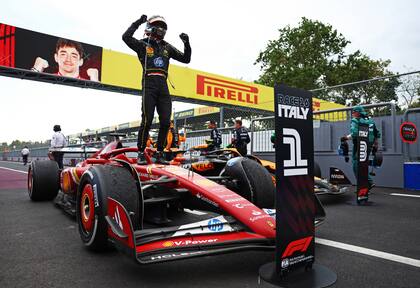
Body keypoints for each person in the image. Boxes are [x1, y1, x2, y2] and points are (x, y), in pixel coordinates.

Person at [123, 15, 191, 164]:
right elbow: (126, 37)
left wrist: (186, 43)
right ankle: (141, 153)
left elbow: (186, 59)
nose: (160, 28)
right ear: (150, 27)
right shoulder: (143, 44)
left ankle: (159, 153)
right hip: (149, 83)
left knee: (166, 122)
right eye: (157, 25)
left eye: (162, 26)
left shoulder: (167, 47)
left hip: (163, 85)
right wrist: (138, 22)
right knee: (147, 120)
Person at [341, 106, 381, 189]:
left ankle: (367, 182)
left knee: (356, 164)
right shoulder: (370, 121)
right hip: (368, 145)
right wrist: (375, 144)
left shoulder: (355, 120)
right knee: (363, 163)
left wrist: (346, 138)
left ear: (358, 112)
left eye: (354, 111)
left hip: (359, 144)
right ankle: (367, 184)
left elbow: (355, 133)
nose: (353, 113)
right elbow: (377, 134)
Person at [31, 38, 98, 81]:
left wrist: (95, 82)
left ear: (81, 61)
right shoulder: (45, 79)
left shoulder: (88, 84)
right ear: (56, 57)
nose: (68, 59)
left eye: (73, 56)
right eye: (63, 54)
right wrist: (35, 71)